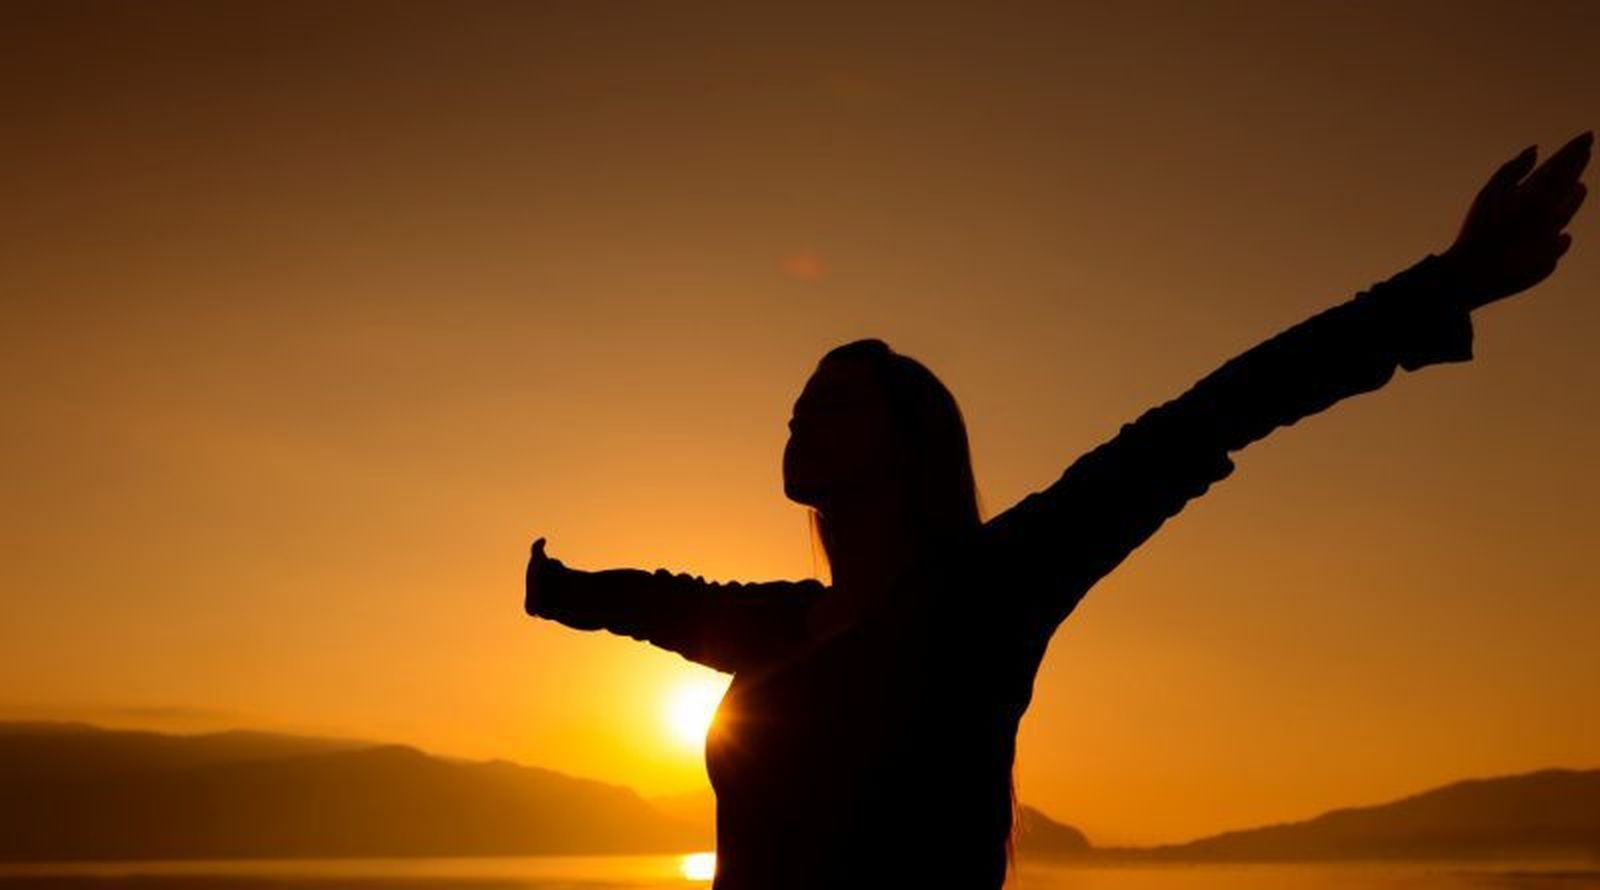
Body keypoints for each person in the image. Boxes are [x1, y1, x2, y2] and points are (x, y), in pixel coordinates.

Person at [523, 132, 1591, 889]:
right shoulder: (779, 625)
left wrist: (1438, 288)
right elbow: (660, 600)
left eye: (833, 401)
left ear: (910, 441)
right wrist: (556, 588)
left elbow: (1205, 418)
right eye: (794, 406)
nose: (798, 418)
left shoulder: (990, 590)